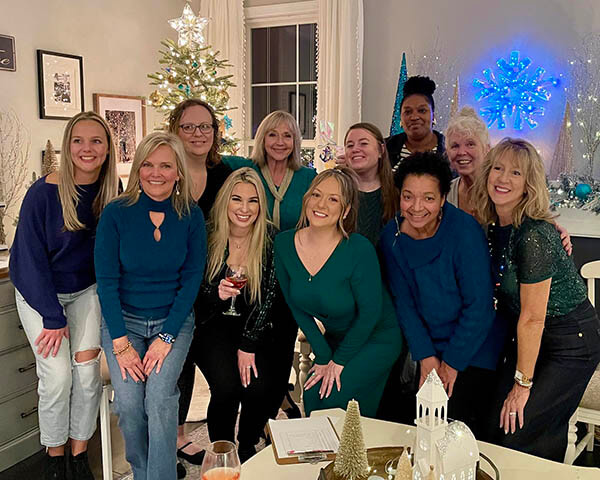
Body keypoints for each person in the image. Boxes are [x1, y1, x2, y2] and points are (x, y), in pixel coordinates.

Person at [472, 138, 600, 461]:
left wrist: (522, 386)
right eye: (498, 168)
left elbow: (532, 318)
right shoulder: (494, 227)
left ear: (529, 184)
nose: (503, 179)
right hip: (530, 338)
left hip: (572, 342)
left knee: (520, 429)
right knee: (493, 426)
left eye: (516, 173)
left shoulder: (534, 235)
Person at [10, 111, 119, 480]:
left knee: (87, 376)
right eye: (78, 141)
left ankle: (78, 453)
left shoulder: (110, 191)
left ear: (107, 149)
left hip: (86, 291)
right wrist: (53, 317)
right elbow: (27, 262)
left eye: (96, 141)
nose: (87, 149)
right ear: (67, 145)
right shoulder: (42, 194)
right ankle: (54, 458)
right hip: (42, 295)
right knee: (57, 378)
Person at [95, 132, 207, 480]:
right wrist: (120, 343)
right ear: (138, 168)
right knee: (129, 404)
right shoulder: (116, 213)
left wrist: (168, 335)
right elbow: (107, 283)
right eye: (147, 164)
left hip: (172, 321)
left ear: (178, 172)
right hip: (123, 323)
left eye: (165, 165)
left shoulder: (190, 216)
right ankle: (143, 473)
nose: (155, 173)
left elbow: (191, 281)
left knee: (159, 398)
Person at [379, 152, 503, 439]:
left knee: (452, 428)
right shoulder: (391, 237)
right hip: (425, 346)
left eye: (429, 198)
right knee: (401, 421)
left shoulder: (464, 231)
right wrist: (426, 356)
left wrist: (451, 364)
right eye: (408, 197)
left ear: (443, 198)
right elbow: (404, 304)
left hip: (473, 346)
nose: (417, 207)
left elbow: (479, 307)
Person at [274, 167, 403, 417]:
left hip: (377, 337)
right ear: (306, 198)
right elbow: (294, 305)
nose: (321, 204)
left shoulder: (357, 249)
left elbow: (370, 313)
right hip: (336, 339)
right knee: (312, 395)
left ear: (345, 211)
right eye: (316, 195)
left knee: (333, 399)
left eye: (333, 199)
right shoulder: (284, 244)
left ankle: (353, 454)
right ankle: (320, 456)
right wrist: (322, 355)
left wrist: (339, 360)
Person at [193, 167, 297, 463]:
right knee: (226, 387)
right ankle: (222, 454)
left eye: (253, 201)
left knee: (259, 386)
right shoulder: (207, 233)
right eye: (237, 199)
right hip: (213, 324)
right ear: (225, 200)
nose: (244, 208)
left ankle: (249, 444)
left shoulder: (270, 238)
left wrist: (248, 344)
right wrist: (217, 293)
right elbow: (194, 288)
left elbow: (270, 299)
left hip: (257, 325)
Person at [168, 98, 233, 469]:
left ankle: (222, 443)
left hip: (213, 285)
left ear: (214, 132)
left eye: (205, 126)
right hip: (171, 285)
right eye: (189, 126)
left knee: (210, 365)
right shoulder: (162, 171)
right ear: (176, 129)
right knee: (179, 365)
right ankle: (175, 437)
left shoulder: (224, 173)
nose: (197, 134)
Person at [224, 110, 317, 231]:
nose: (280, 142)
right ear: (262, 139)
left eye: (287, 136)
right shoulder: (244, 167)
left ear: (295, 142)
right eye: (272, 135)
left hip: (294, 248)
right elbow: (208, 159)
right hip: (251, 248)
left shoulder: (308, 178)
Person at [343, 122, 400, 246]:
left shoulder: (398, 190)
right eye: (350, 145)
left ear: (381, 150)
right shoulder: (337, 190)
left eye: (363, 143)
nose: (355, 149)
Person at [386, 76, 446, 172]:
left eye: (422, 111)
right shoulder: (385, 149)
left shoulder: (449, 151)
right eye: (408, 112)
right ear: (401, 117)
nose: (414, 117)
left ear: (433, 115)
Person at [445, 107, 491, 216]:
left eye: (470, 144)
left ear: (486, 149)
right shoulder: (445, 193)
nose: (461, 152)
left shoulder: (500, 190)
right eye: (455, 146)